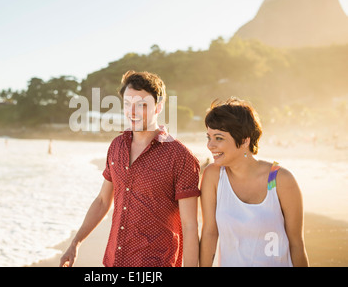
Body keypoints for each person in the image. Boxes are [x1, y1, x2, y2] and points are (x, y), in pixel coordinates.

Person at [60, 70, 201, 267]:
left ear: (158, 107)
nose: (132, 111)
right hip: (114, 262)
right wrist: (75, 243)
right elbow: (102, 201)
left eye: (142, 105)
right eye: (127, 104)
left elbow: (190, 225)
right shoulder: (116, 146)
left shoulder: (180, 157)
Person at [199, 97, 309, 267]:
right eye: (209, 137)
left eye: (219, 138)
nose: (210, 145)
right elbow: (209, 234)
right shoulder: (214, 176)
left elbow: (296, 244)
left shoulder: (277, 179)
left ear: (244, 140)